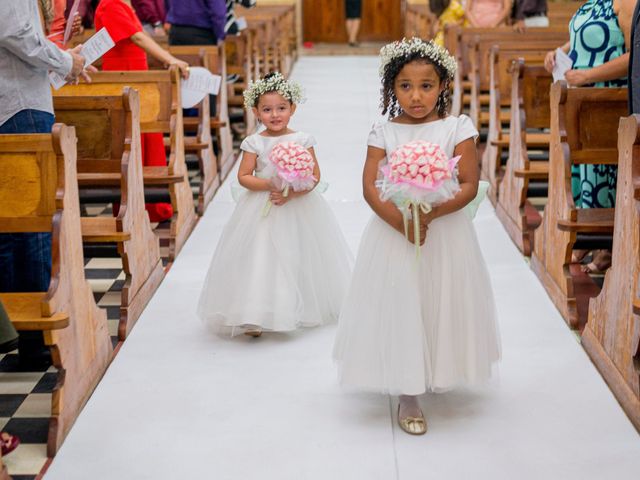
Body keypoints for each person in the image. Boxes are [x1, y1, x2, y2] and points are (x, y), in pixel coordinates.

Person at [333, 38, 501, 435]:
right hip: (395, 232)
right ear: (392, 88)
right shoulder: (384, 130)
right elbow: (371, 186)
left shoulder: (456, 127)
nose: (416, 95)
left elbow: (468, 182)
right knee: (403, 300)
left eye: (426, 85)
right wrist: (401, 221)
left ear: (443, 85)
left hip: (444, 233)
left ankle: (437, 368)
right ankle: (408, 390)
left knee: (439, 298)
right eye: (405, 86)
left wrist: (431, 214)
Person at [197, 72, 352, 337]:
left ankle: (295, 307)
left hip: (297, 206)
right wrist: (271, 184)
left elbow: (314, 177)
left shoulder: (303, 139)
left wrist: (291, 194)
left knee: (295, 254)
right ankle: (253, 313)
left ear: (293, 108)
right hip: (262, 206)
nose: (275, 115)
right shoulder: (254, 142)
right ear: (256, 111)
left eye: (281, 108)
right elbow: (244, 177)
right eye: (267, 110)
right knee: (260, 256)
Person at [0, 0, 87, 365]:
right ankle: (34, 341)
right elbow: (17, 34)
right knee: (30, 227)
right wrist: (68, 61)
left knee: (12, 227)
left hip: (14, 101)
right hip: (18, 104)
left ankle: (18, 334)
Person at [544, 0, 631, 273]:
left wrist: (589, 75)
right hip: (583, 100)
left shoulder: (627, 3)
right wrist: (559, 51)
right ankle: (589, 240)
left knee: (606, 171)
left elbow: (635, 55)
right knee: (587, 168)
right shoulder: (594, 3)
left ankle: (607, 247)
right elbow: (584, 36)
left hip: (607, 96)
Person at [94, 0, 190, 223]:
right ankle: (138, 209)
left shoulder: (122, 4)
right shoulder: (110, 4)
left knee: (144, 140)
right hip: (125, 78)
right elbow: (137, 36)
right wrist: (170, 59)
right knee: (133, 142)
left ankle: (151, 207)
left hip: (136, 76)